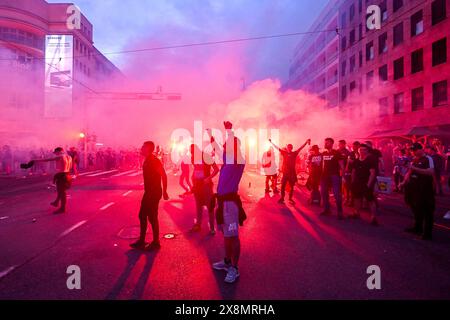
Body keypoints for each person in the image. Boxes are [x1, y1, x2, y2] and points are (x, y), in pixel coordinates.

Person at [209, 121, 246, 284]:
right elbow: (217, 148)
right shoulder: (226, 163)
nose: (223, 147)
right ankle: (227, 262)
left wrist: (230, 131)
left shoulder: (238, 161)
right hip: (223, 203)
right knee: (226, 235)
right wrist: (211, 137)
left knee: (233, 236)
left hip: (230, 204)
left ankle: (235, 268)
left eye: (227, 145)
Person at [130, 141, 169, 250]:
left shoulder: (154, 161)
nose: (141, 148)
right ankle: (142, 240)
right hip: (148, 192)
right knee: (142, 215)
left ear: (148, 149)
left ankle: (156, 242)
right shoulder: (147, 160)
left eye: (143, 147)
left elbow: (164, 175)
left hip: (154, 192)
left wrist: (165, 191)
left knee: (152, 217)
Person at [400, 143, 435, 240]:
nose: (413, 152)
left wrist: (414, 168)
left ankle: (427, 234)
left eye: (415, 150)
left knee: (427, 210)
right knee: (416, 208)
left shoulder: (428, 158)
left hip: (425, 189)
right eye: (412, 150)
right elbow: (409, 172)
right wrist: (403, 182)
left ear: (421, 149)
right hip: (414, 188)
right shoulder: (414, 159)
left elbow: (430, 172)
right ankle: (417, 228)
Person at [29, 147, 72, 214]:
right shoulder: (69, 157)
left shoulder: (60, 157)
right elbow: (70, 167)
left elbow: (47, 160)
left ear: (59, 151)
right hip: (68, 174)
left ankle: (62, 208)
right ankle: (57, 202)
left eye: (56, 153)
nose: (55, 154)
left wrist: (35, 160)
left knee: (62, 192)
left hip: (61, 175)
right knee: (61, 191)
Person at [269, 138, 311, 205]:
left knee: (291, 187)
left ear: (291, 148)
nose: (289, 148)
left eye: (290, 147)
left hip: (291, 173)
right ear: (287, 148)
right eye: (288, 147)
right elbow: (277, 148)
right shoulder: (284, 153)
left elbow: (301, 148)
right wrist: (271, 142)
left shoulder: (294, 153)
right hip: (285, 173)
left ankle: (290, 199)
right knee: (283, 186)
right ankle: (282, 198)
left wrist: (306, 142)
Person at [190, 144, 220, 234]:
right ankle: (198, 225)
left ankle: (212, 227)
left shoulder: (206, 156)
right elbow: (196, 169)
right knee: (198, 206)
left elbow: (216, 169)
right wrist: (193, 180)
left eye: (193, 152)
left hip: (206, 185)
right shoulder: (193, 158)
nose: (192, 154)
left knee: (209, 205)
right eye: (191, 152)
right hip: (197, 185)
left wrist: (209, 178)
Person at [350, 144, 378, 225]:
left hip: (367, 182)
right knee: (357, 198)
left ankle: (373, 217)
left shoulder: (370, 160)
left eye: (363, 150)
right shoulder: (356, 160)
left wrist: (368, 185)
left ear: (367, 151)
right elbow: (353, 171)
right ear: (358, 151)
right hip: (357, 182)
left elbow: (372, 173)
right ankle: (357, 213)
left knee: (370, 200)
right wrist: (352, 182)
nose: (361, 151)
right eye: (360, 149)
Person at [320, 138, 345, 219]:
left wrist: (342, 176)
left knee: (337, 194)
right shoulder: (323, 153)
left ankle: (340, 212)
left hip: (335, 175)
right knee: (323, 192)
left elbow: (341, 165)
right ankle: (327, 210)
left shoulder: (336, 153)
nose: (325, 144)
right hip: (325, 176)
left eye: (326, 143)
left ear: (331, 143)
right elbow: (323, 165)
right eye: (325, 142)